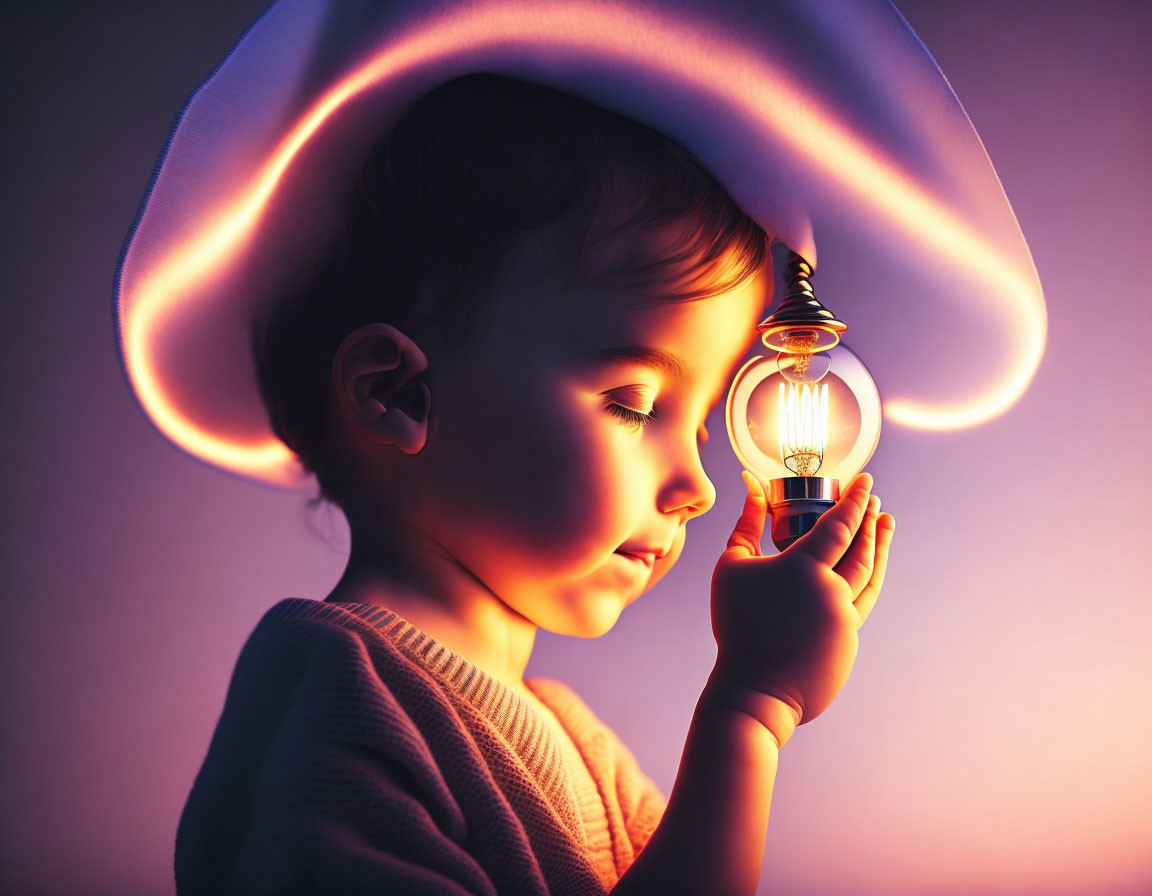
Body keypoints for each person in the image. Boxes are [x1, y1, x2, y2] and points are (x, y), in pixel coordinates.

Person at [173, 72, 894, 896]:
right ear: (397, 394)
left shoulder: (582, 748)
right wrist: (752, 707)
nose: (698, 484)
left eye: (700, 427)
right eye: (632, 404)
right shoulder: (338, 696)